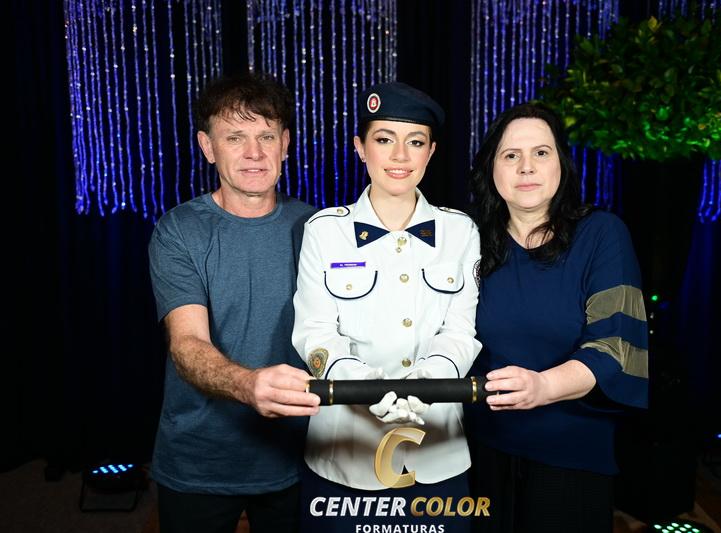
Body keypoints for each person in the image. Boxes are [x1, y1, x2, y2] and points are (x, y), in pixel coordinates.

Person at [292, 82, 481, 531]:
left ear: (430, 152)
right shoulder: (324, 231)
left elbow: (461, 332)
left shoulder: (460, 231)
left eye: (415, 142)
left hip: (437, 452)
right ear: (360, 148)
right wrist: (366, 389)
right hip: (345, 454)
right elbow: (315, 334)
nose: (399, 156)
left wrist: (428, 384)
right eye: (384, 139)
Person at [148, 72, 321, 533]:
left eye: (266, 136)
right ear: (208, 147)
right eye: (235, 137)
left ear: (285, 144)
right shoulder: (178, 231)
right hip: (199, 461)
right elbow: (187, 344)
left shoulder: (319, 229)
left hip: (297, 457)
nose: (254, 153)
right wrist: (248, 385)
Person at [464, 102, 649, 532]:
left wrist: (543, 386)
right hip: (481, 450)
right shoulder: (468, 239)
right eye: (511, 155)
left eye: (541, 153)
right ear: (492, 168)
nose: (526, 167)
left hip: (571, 453)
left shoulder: (601, 234)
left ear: (561, 164)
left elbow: (615, 346)